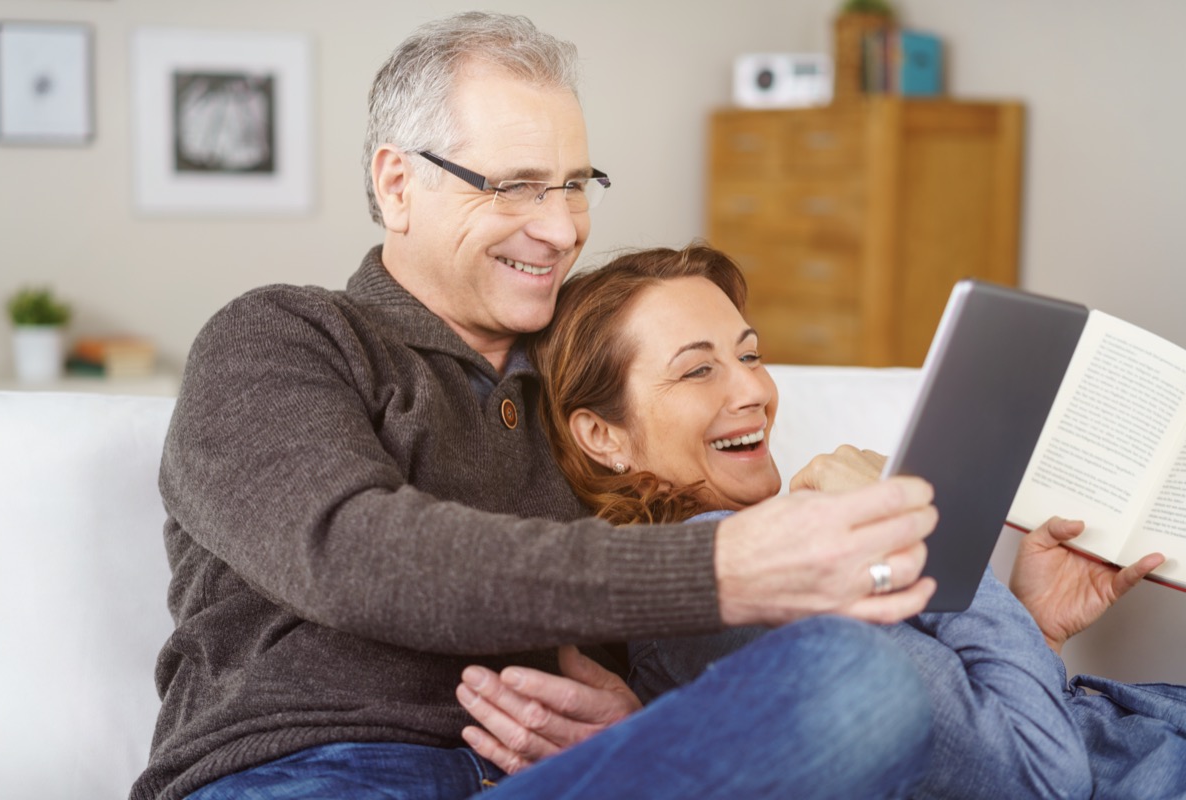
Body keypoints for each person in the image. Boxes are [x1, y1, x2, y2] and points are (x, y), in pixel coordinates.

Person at [133, 13, 943, 800]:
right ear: (397, 182)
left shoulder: (596, 380)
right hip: (315, 770)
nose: (560, 229)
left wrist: (639, 726)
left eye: (575, 186)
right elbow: (348, 554)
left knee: (865, 686)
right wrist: (727, 570)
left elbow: (679, 643)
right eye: (515, 187)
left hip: (570, 781)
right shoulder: (282, 335)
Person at [454, 244, 1186, 799]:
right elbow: (1038, 778)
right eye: (698, 369)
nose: (756, 390)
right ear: (602, 437)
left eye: (750, 354)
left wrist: (1033, 624)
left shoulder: (789, 547)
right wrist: (914, 525)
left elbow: (966, 737)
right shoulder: (722, 583)